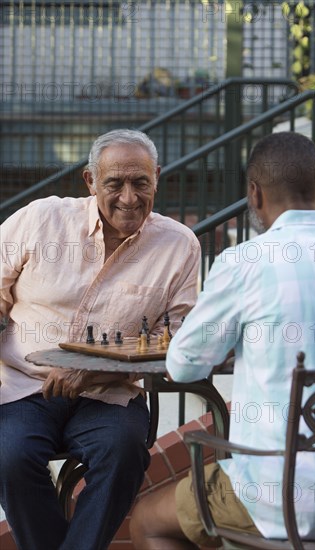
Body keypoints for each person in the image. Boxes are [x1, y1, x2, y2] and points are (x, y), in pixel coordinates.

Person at [129, 131, 315, 549]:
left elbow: (184, 366)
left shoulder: (245, 263)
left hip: (277, 499)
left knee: (147, 522)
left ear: (254, 195)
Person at [0, 129, 201, 550]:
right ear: (90, 181)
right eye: (114, 183)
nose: (129, 197)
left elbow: (178, 340)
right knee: (9, 457)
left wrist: (94, 371)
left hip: (108, 395)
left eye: (140, 183)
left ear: (157, 178)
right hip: (23, 387)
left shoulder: (179, 246)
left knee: (125, 451)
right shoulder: (41, 219)